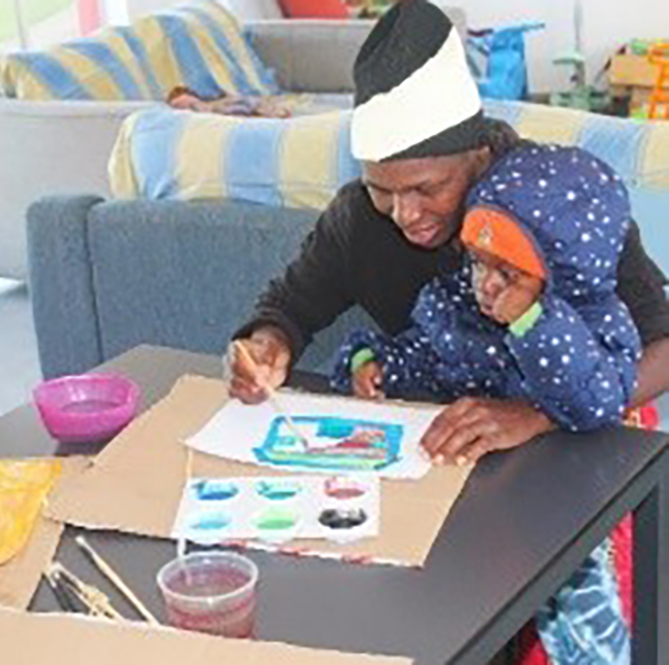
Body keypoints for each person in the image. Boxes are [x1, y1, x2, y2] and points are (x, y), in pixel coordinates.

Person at [227, 0, 669, 467]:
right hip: (434, 455)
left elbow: (663, 345)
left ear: (478, 157)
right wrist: (266, 346)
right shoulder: (358, 219)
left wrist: (540, 415)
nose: (405, 214)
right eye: (382, 190)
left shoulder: (555, 203)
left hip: (574, 452)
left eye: (427, 188)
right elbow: (289, 309)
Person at [330, 144, 635, 663]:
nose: (486, 285)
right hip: (487, 481)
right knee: (459, 592)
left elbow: (593, 400)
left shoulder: (596, 323)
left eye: (509, 273)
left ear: (562, 271)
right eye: (477, 262)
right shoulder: (460, 301)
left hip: (577, 482)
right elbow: (427, 353)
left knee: (572, 596)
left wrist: (533, 322)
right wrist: (373, 362)